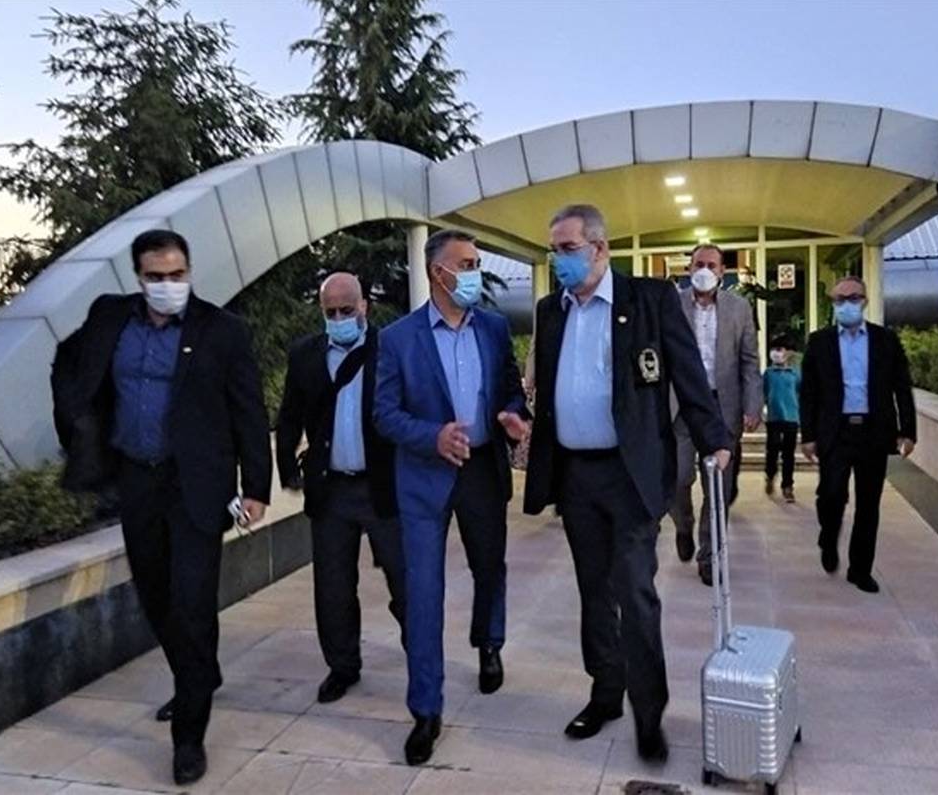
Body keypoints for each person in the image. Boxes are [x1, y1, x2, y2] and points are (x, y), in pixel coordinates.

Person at [53, 229, 271, 786]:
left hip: (195, 485)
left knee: (193, 604)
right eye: (156, 277)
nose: (168, 285)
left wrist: (256, 487)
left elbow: (248, 411)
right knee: (156, 598)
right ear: (139, 277)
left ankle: (189, 737)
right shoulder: (109, 316)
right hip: (137, 480)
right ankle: (198, 674)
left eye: (177, 275)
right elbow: (67, 361)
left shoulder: (222, 331)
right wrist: (78, 431)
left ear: (189, 271)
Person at [523, 204, 732, 763]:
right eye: (553, 250)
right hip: (575, 473)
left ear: (599, 248)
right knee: (593, 591)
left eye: (567, 249)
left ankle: (648, 712)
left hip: (631, 473)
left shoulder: (649, 300)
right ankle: (605, 693)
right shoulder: (550, 311)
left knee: (634, 591)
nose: (558, 260)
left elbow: (687, 371)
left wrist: (713, 437)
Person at [373, 229, 529, 766]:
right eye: (464, 264)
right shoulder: (398, 339)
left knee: (490, 567)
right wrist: (431, 436)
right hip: (424, 477)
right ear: (436, 272)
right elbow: (384, 414)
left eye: (475, 262)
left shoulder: (493, 328)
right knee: (423, 592)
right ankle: (426, 709)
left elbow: (511, 389)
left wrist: (513, 415)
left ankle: (489, 643)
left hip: (482, 469)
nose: (473, 273)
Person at [274, 272, 406, 705]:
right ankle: (342, 665)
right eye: (330, 312)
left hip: (383, 487)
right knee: (333, 587)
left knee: (406, 579)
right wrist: (287, 469)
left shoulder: (391, 349)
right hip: (331, 491)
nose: (338, 319)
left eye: (346, 310)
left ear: (364, 306)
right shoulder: (306, 355)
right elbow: (290, 416)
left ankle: (421, 652)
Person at [800, 275, 917, 594]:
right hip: (835, 432)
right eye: (839, 300)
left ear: (864, 301)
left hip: (873, 432)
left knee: (869, 504)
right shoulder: (819, 342)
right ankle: (828, 536)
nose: (846, 305)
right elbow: (808, 392)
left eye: (852, 298)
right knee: (831, 495)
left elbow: (901, 386)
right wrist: (808, 435)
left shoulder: (885, 340)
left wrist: (907, 431)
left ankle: (860, 569)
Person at [668, 243, 761, 585]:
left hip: (723, 407)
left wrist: (753, 404)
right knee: (677, 478)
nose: (704, 270)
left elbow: (749, 361)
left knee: (718, 488)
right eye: (698, 264)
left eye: (711, 265)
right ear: (689, 269)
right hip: (680, 407)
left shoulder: (740, 308)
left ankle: (710, 557)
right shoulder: (672, 305)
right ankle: (683, 524)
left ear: (723, 271)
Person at [763, 334, 802, 503]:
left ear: (788, 353)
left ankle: (787, 485)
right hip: (773, 418)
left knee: (788, 454)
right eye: (774, 349)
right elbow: (763, 392)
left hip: (791, 418)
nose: (776, 353)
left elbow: (801, 392)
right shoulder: (769, 373)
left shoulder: (795, 374)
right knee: (772, 451)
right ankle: (770, 475)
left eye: (780, 349)